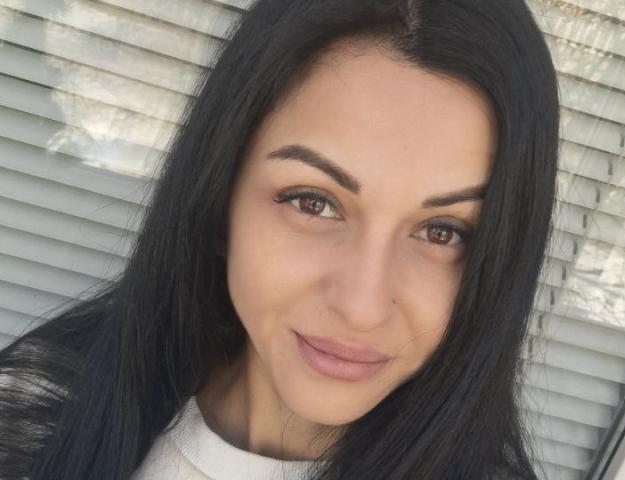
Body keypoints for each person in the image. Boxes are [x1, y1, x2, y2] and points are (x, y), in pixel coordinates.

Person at [0, 0, 560, 479]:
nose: (362, 307)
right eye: (312, 202)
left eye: (444, 231)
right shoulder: (39, 409)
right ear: (220, 196)